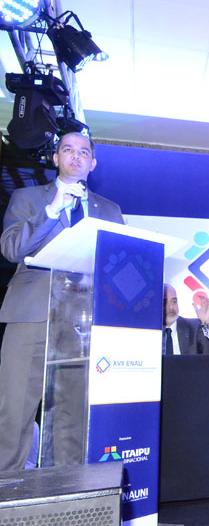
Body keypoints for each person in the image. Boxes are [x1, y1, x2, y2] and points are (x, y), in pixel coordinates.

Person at [0, 132, 125, 472]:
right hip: (32, 315)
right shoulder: (27, 198)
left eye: (83, 152)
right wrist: (52, 210)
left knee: (74, 413)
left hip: (84, 322)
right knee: (14, 410)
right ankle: (6, 490)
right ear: (56, 159)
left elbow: (118, 268)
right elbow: (11, 249)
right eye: (67, 149)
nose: (75, 156)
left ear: (93, 163)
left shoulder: (110, 210)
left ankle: (67, 488)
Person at [162, 284, 209, 355]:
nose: (171, 307)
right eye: (165, 302)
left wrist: (206, 322)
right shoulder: (149, 331)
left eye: (174, 301)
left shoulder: (194, 327)